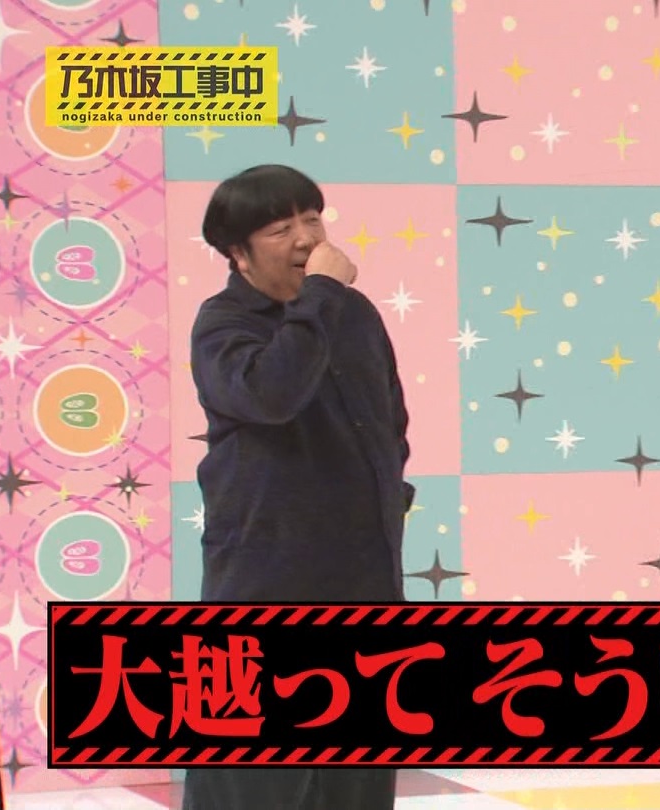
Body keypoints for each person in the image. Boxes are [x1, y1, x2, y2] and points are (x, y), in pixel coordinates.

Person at [185, 164, 412, 810]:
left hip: (363, 581)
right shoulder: (222, 324)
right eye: (280, 228)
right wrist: (320, 294)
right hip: (264, 586)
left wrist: (386, 501)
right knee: (253, 786)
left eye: (312, 219)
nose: (307, 238)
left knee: (358, 787)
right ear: (238, 253)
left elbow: (389, 421)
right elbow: (272, 394)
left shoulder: (352, 313)